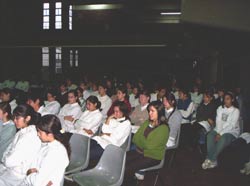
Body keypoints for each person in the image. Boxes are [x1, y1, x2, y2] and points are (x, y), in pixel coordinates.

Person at [19, 115, 69, 186]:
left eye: (40, 132)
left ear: (50, 134)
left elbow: (37, 182)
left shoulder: (56, 152)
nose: (37, 134)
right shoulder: (46, 144)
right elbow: (33, 164)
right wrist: (31, 172)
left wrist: (30, 173)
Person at [125, 101, 169, 181]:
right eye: (149, 111)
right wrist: (144, 140)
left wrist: (141, 139)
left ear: (159, 111)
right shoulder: (147, 122)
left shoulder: (163, 128)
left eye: (152, 111)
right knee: (122, 158)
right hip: (140, 151)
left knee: (128, 167)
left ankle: (128, 182)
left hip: (152, 156)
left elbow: (149, 146)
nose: (150, 113)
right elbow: (135, 138)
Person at [0, 104, 41, 186]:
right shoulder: (22, 131)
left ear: (28, 118)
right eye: (14, 118)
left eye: (17, 118)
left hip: (17, 176)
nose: (15, 121)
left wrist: (5, 159)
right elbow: (8, 150)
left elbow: (10, 161)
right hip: (8, 169)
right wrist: (5, 159)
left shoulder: (30, 136)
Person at [202, 92, 240, 169]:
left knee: (223, 138)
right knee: (210, 135)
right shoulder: (220, 108)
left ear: (232, 100)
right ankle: (213, 160)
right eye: (224, 99)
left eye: (228, 99)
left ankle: (210, 159)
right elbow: (218, 122)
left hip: (231, 132)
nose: (225, 101)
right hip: (219, 129)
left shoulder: (235, 111)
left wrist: (221, 134)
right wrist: (218, 132)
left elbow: (231, 125)